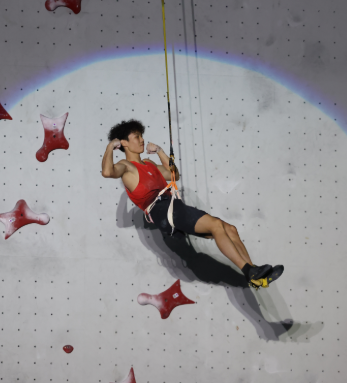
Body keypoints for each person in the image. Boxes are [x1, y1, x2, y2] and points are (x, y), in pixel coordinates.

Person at [101, 119, 283, 288]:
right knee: (216, 225)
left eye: (141, 135)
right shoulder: (127, 166)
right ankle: (249, 270)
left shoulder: (149, 164)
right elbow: (107, 172)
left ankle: (254, 275)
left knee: (230, 229)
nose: (142, 140)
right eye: (137, 136)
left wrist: (160, 151)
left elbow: (174, 175)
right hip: (162, 210)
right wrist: (110, 147)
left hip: (173, 207)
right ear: (124, 143)